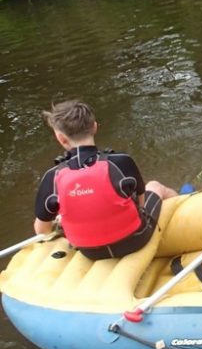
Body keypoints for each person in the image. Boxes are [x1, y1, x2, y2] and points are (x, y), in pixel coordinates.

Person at [33, 100, 178, 260]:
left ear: (61, 138)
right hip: (135, 240)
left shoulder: (52, 177)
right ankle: (184, 203)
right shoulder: (121, 162)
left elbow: (42, 230)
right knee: (155, 185)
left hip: (89, 252)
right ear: (94, 127)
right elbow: (141, 202)